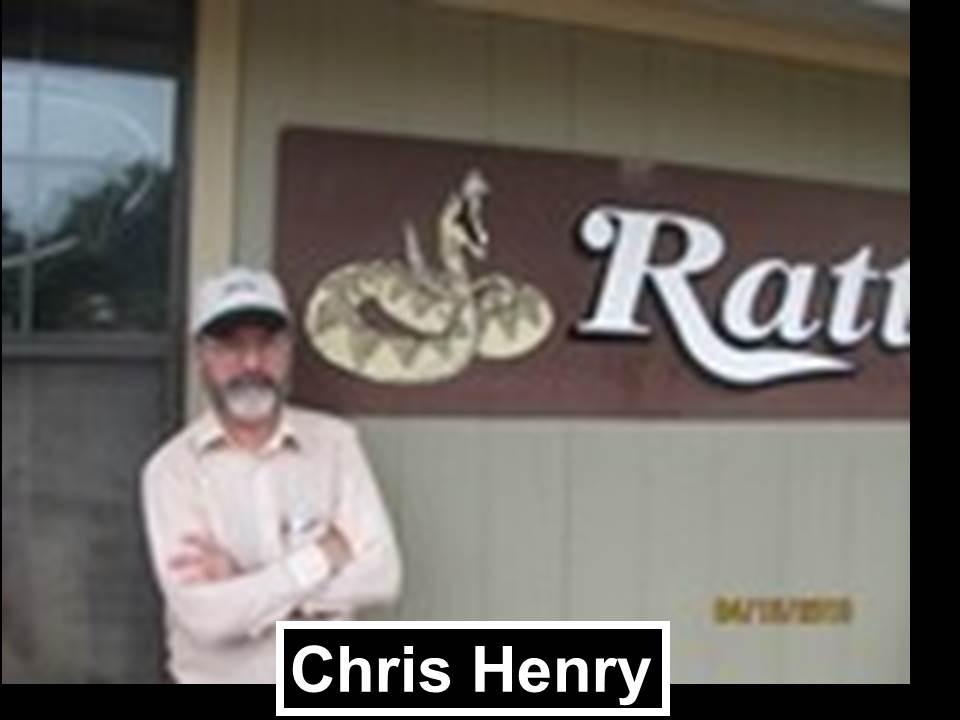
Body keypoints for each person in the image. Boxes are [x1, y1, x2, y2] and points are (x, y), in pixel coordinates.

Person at [141, 267, 402, 683]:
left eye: (266, 343)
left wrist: (245, 586)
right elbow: (206, 618)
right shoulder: (171, 470)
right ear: (201, 356)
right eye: (231, 345)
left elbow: (382, 577)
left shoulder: (336, 444)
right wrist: (321, 559)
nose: (251, 363)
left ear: (288, 350)